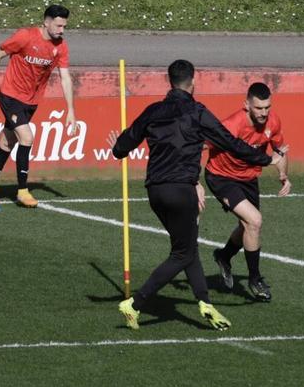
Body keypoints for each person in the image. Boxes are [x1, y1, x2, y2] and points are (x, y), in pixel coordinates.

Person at [108, 60, 283, 331]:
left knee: (186, 247)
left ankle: (204, 302)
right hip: (181, 191)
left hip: (155, 191)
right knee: (181, 253)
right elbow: (231, 143)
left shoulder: (153, 111)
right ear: (193, 82)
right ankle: (136, 303)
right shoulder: (198, 112)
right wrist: (264, 159)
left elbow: (122, 146)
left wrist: (118, 147)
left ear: (169, 82)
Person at [0, 5, 79, 207]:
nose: (61, 30)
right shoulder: (25, 36)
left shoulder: (61, 47)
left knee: (6, 143)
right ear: (46, 22)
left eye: (64, 26)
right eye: (58, 25)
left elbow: (65, 78)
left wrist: (71, 111)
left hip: (31, 102)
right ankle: (22, 191)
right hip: (10, 95)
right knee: (27, 137)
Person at [204, 82, 290, 302]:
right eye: (259, 108)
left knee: (248, 226)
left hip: (249, 178)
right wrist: (191, 180)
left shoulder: (273, 121)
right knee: (254, 221)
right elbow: (200, 145)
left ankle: (223, 256)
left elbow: (280, 151)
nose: (264, 113)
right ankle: (255, 280)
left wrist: (284, 176)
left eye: (267, 107)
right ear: (247, 105)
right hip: (222, 177)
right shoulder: (232, 125)